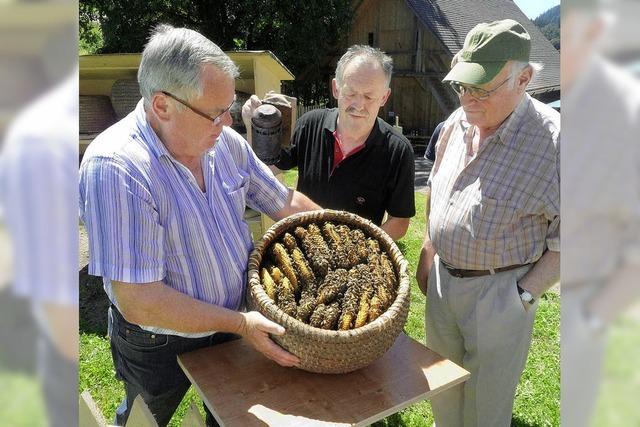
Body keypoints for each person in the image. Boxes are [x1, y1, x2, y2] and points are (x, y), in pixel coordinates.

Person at [79, 25, 320, 426]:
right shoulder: (117, 169)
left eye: (230, 107)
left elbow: (284, 203)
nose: (227, 122)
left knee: (228, 416)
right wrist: (241, 323)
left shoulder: (224, 144)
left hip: (233, 326)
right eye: (215, 112)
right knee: (145, 418)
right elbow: (139, 299)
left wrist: (346, 230)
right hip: (157, 341)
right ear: (162, 106)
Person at [415, 19, 560, 426]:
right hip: (442, 283)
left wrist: (524, 296)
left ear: (524, 79)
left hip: (500, 292)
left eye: (481, 89)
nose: (467, 100)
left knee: (485, 407)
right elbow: (437, 188)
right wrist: (429, 246)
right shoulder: (455, 125)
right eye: (462, 86)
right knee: (443, 387)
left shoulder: (556, 141)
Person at [243, 45, 415, 240]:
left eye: (369, 96)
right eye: (350, 93)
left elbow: (400, 220)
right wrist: (254, 128)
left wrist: (363, 249)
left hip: (355, 259)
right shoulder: (310, 124)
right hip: (302, 244)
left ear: (384, 97)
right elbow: (268, 169)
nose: (359, 105)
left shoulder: (398, 151)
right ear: (336, 88)